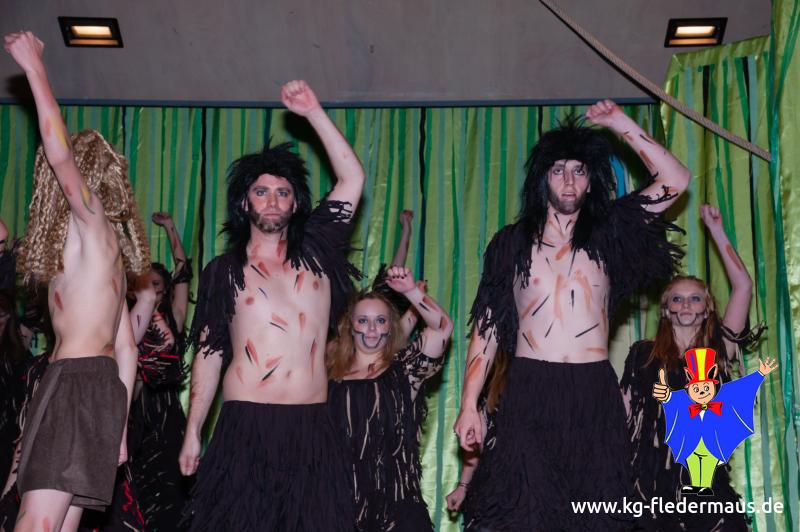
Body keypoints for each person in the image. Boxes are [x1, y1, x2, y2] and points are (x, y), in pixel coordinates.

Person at [454, 100, 691, 531]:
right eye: (558, 170)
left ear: (592, 178)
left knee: (597, 514)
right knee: (521, 514)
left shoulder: (610, 234)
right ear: (542, 178)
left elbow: (676, 180)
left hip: (592, 391)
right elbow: (487, 328)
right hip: (529, 388)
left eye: (579, 171)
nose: (568, 180)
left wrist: (619, 123)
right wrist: (469, 404)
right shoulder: (510, 244)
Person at [179, 80, 365, 531]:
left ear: (296, 202)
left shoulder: (318, 253)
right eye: (261, 192)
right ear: (245, 202)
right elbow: (209, 352)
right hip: (245, 424)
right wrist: (193, 431)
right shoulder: (225, 270)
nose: (272, 200)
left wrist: (314, 112)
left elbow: (352, 179)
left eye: (283, 192)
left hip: (312, 427)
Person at [4, 31, 149, 532]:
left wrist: (35, 69)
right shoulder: (109, 255)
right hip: (99, 391)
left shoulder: (92, 224)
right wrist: (117, 429)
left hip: (75, 383)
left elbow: (60, 156)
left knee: (36, 524)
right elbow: (127, 348)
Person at [620, 204, 762, 530]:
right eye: (677, 298)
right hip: (650, 490)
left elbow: (743, 286)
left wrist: (716, 230)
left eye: (695, 298)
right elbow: (621, 414)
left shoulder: (718, 350)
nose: (686, 304)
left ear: (707, 308)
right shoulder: (642, 354)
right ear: (665, 309)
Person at [327, 266, 453, 531]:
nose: (372, 329)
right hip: (340, 508)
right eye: (363, 320)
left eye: (381, 320)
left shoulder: (405, 371)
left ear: (390, 327)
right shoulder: (328, 379)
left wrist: (412, 292)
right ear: (350, 326)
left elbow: (443, 328)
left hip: (398, 510)